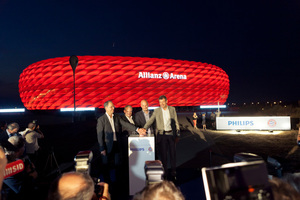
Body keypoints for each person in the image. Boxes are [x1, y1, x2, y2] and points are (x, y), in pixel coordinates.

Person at [96, 100, 146, 183]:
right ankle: (107, 184)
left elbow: (126, 124)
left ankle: (117, 183)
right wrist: (102, 148)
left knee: (118, 164)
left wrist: (137, 129)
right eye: (111, 107)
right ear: (106, 108)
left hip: (117, 144)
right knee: (106, 166)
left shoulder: (117, 117)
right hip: (107, 146)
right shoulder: (101, 119)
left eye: (113, 106)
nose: (113, 108)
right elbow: (99, 135)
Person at [143, 95, 180, 181]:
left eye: (163, 102)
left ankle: (174, 172)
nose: (161, 104)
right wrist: (144, 128)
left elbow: (176, 122)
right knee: (163, 156)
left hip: (171, 135)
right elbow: (150, 120)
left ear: (166, 101)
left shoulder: (172, 109)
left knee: (173, 155)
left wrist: (178, 135)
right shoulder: (157, 111)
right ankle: (165, 174)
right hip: (162, 136)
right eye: (160, 102)